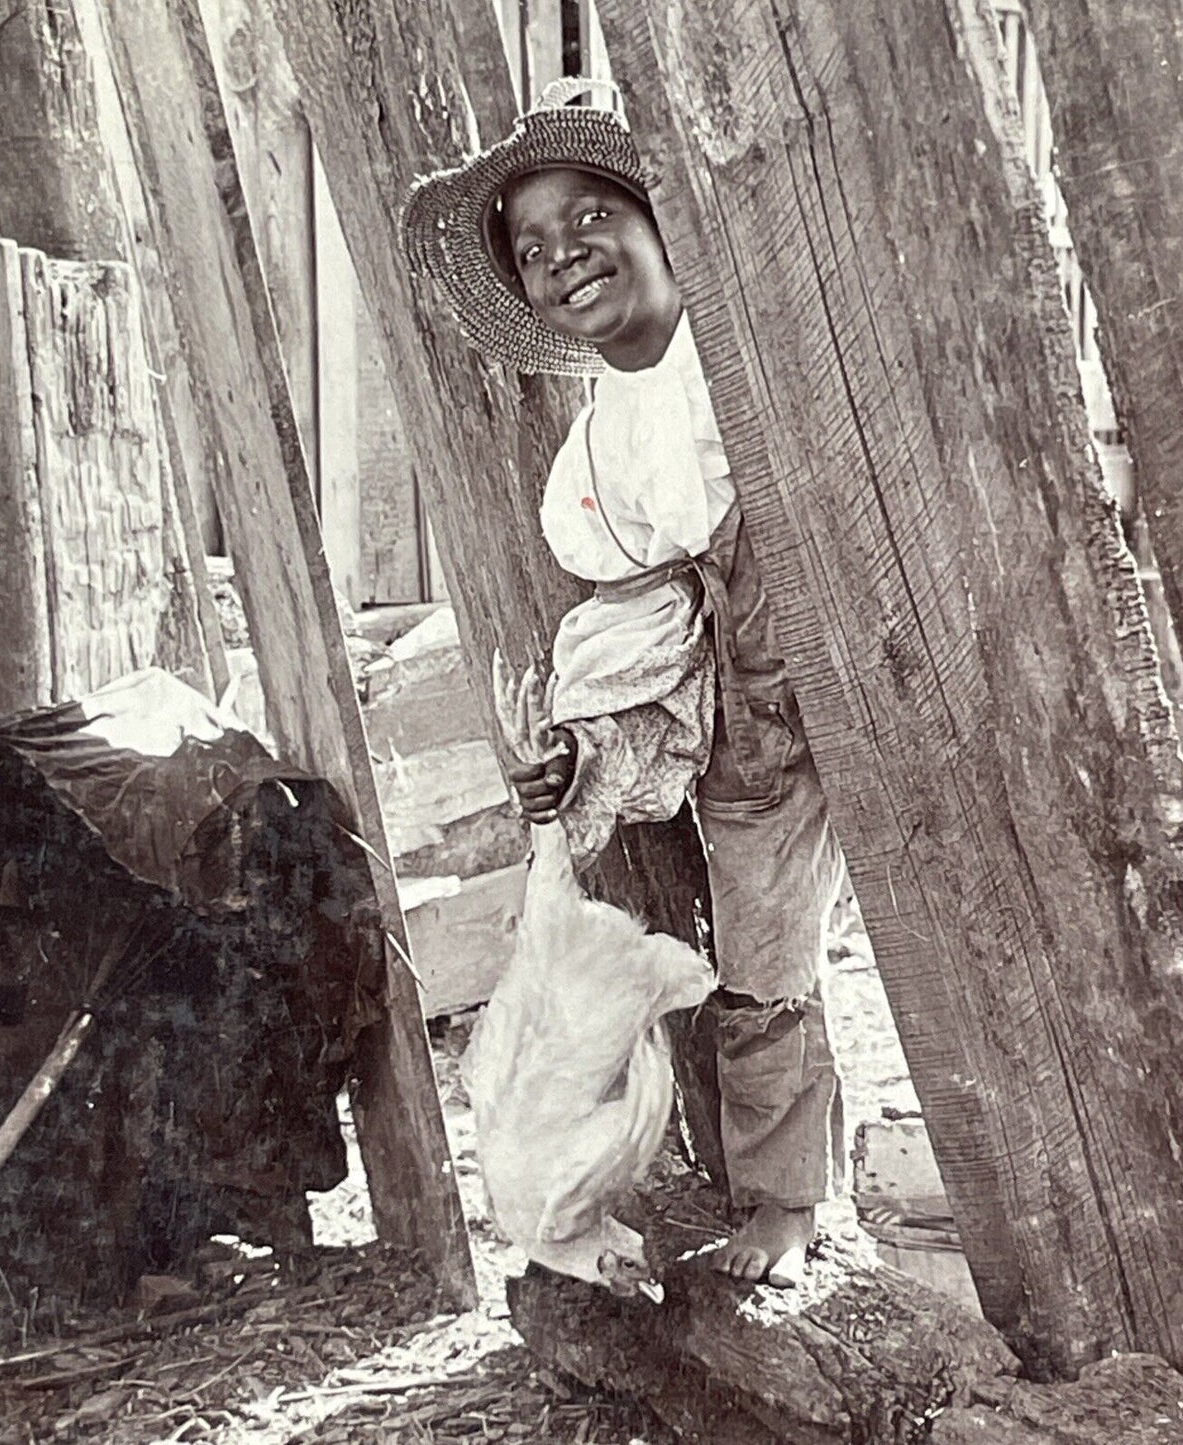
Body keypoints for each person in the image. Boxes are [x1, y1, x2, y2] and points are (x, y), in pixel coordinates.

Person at [402, 80, 845, 1288]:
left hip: (825, 649)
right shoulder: (596, 448)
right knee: (726, 950)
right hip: (721, 696)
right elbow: (629, 623)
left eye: (590, 215)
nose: (563, 255)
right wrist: (579, 741)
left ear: (660, 224)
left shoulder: (735, 358)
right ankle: (744, 1189)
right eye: (533, 249)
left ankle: (816, 1195)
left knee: (831, 934)